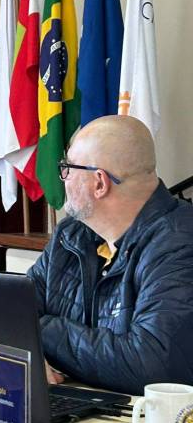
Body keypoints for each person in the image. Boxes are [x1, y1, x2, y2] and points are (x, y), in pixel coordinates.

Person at [28, 115, 193, 395]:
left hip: (145, 418)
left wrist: (42, 332)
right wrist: (29, 348)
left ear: (100, 183)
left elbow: (152, 364)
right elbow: (13, 311)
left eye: (68, 168)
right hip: (81, 405)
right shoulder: (71, 235)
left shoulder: (180, 244)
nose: (63, 178)